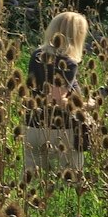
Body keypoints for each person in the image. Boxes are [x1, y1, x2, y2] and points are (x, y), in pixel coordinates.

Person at [23, 11, 91, 172]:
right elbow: (56, 100)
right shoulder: (68, 62)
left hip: (33, 126)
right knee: (68, 183)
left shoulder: (36, 55)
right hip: (60, 131)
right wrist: (87, 106)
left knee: (31, 181)